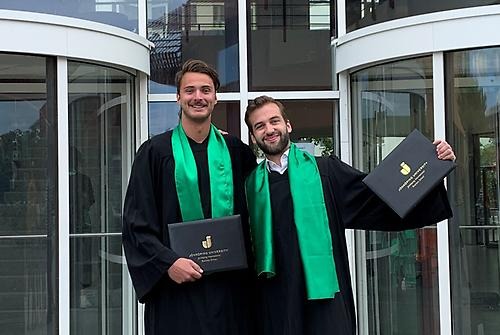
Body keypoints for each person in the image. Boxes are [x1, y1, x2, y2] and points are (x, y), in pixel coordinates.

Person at [244, 95, 456, 335]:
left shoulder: (325, 171)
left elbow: (379, 198)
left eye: (274, 121)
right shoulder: (251, 187)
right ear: (253, 136)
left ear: (288, 125)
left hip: (325, 298)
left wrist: (432, 167)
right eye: (260, 126)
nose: (269, 130)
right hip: (276, 297)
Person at [122, 59, 257, 335]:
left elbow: (258, 213)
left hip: (230, 294)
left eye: (206, 90)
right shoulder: (154, 153)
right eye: (190, 90)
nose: (198, 97)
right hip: (176, 294)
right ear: (178, 97)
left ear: (216, 98)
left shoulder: (236, 152)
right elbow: (136, 224)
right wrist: (167, 263)